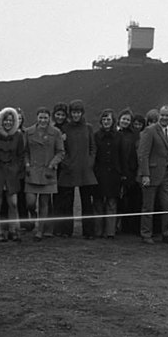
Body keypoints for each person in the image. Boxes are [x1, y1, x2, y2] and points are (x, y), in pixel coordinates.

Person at [54, 99, 97, 238]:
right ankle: (66, 231)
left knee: (87, 203)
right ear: (70, 113)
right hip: (69, 170)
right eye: (73, 112)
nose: (76, 115)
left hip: (85, 170)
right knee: (67, 202)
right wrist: (66, 163)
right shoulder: (65, 129)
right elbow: (61, 149)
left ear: (82, 113)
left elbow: (93, 148)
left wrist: (90, 162)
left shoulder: (88, 128)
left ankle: (89, 232)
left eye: (78, 112)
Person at [138, 105, 168, 244]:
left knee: (167, 205)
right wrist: (145, 175)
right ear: (158, 115)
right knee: (148, 206)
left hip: (166, 175)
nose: (165, 117)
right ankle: (146, 235)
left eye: (167, 115)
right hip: (151, 174)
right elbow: (143, 154)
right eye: (162, 115)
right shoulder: (150, 131)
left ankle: (167, 234)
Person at [24, 107, 65, 241]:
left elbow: (60, 152)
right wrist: (27, 164)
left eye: (45, 118)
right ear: (37, 118)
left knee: (44, 203)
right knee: (30, 202)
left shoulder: (56, 132)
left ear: (49, 119)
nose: (43, 120)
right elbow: (25, 151)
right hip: (32, 172)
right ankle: (33, 214)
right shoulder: (28, 132)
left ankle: (40, 231)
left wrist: (52, 164)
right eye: (40, 117)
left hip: (47, 172)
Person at [0, 107, 25, 242]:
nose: (8, 123)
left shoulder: (19, 135)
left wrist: (17, 169)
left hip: (12, 173)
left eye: (10, 120)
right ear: (0, 121)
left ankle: (13, 229)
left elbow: (21, 155)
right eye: (5, 120)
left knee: (13, 203)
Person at [92, 108, 124, 238]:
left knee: (111, 202)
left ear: (113, 121)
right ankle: (98, 231)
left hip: (114, 174)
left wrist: (122, 173)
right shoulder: (96, 136)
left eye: (108, 119)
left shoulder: (119, 136)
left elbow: (122, 155)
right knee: (98, 202)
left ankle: (110, 231)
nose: (106, 122)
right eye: (104, 119)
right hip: (99, 173)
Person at [116, 107, 141, 235]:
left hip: (129, 171)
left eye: (127, 119)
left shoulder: (133, 135)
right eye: (123, 118)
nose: (125, 121)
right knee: (115, 200)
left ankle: (126, 226)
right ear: (119, 119)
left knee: (127, 200)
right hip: (115, 171)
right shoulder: (115, 132)